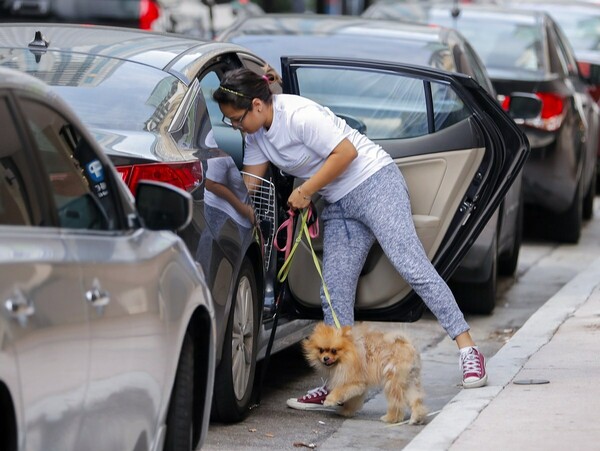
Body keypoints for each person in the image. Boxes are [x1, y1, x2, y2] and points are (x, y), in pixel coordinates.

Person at [212, 67, 488, 411]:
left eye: (236, 119)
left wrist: (307, 191)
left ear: (257, 105)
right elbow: (250, 188)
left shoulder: (300, 115)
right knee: (334, 293)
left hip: (375, 184)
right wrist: (214, 187)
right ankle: (342, 384)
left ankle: (468, 350)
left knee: (413, 267)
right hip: (338, 203)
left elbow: (346, 153)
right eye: (230, 123)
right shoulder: (256, 136)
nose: (235, 127)